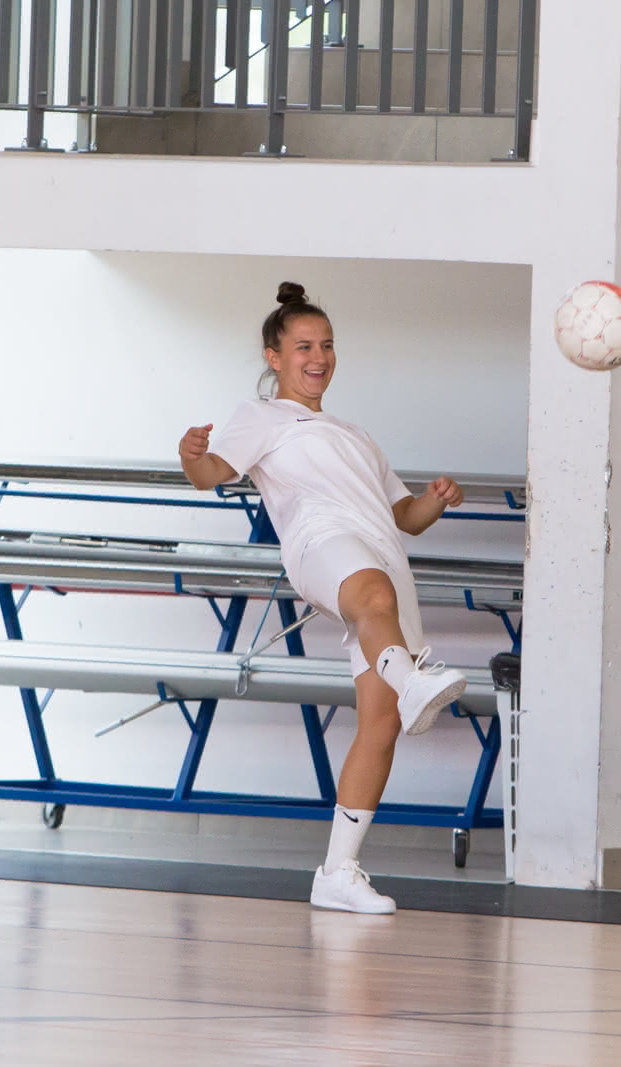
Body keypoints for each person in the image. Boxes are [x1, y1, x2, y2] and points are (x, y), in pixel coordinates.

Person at [178, 281, 470, 915]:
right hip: (321, 545)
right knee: (370, 594)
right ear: (273, 357)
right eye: (304, 346)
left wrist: (436, 500)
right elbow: (210, 476)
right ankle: (413, 676)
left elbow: (405, 517)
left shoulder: (355, 434)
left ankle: (338, 872)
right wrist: (189, 456)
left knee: (382, 724)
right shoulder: (260, 418)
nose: (319, 357)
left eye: (328, 345)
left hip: (382, 559)